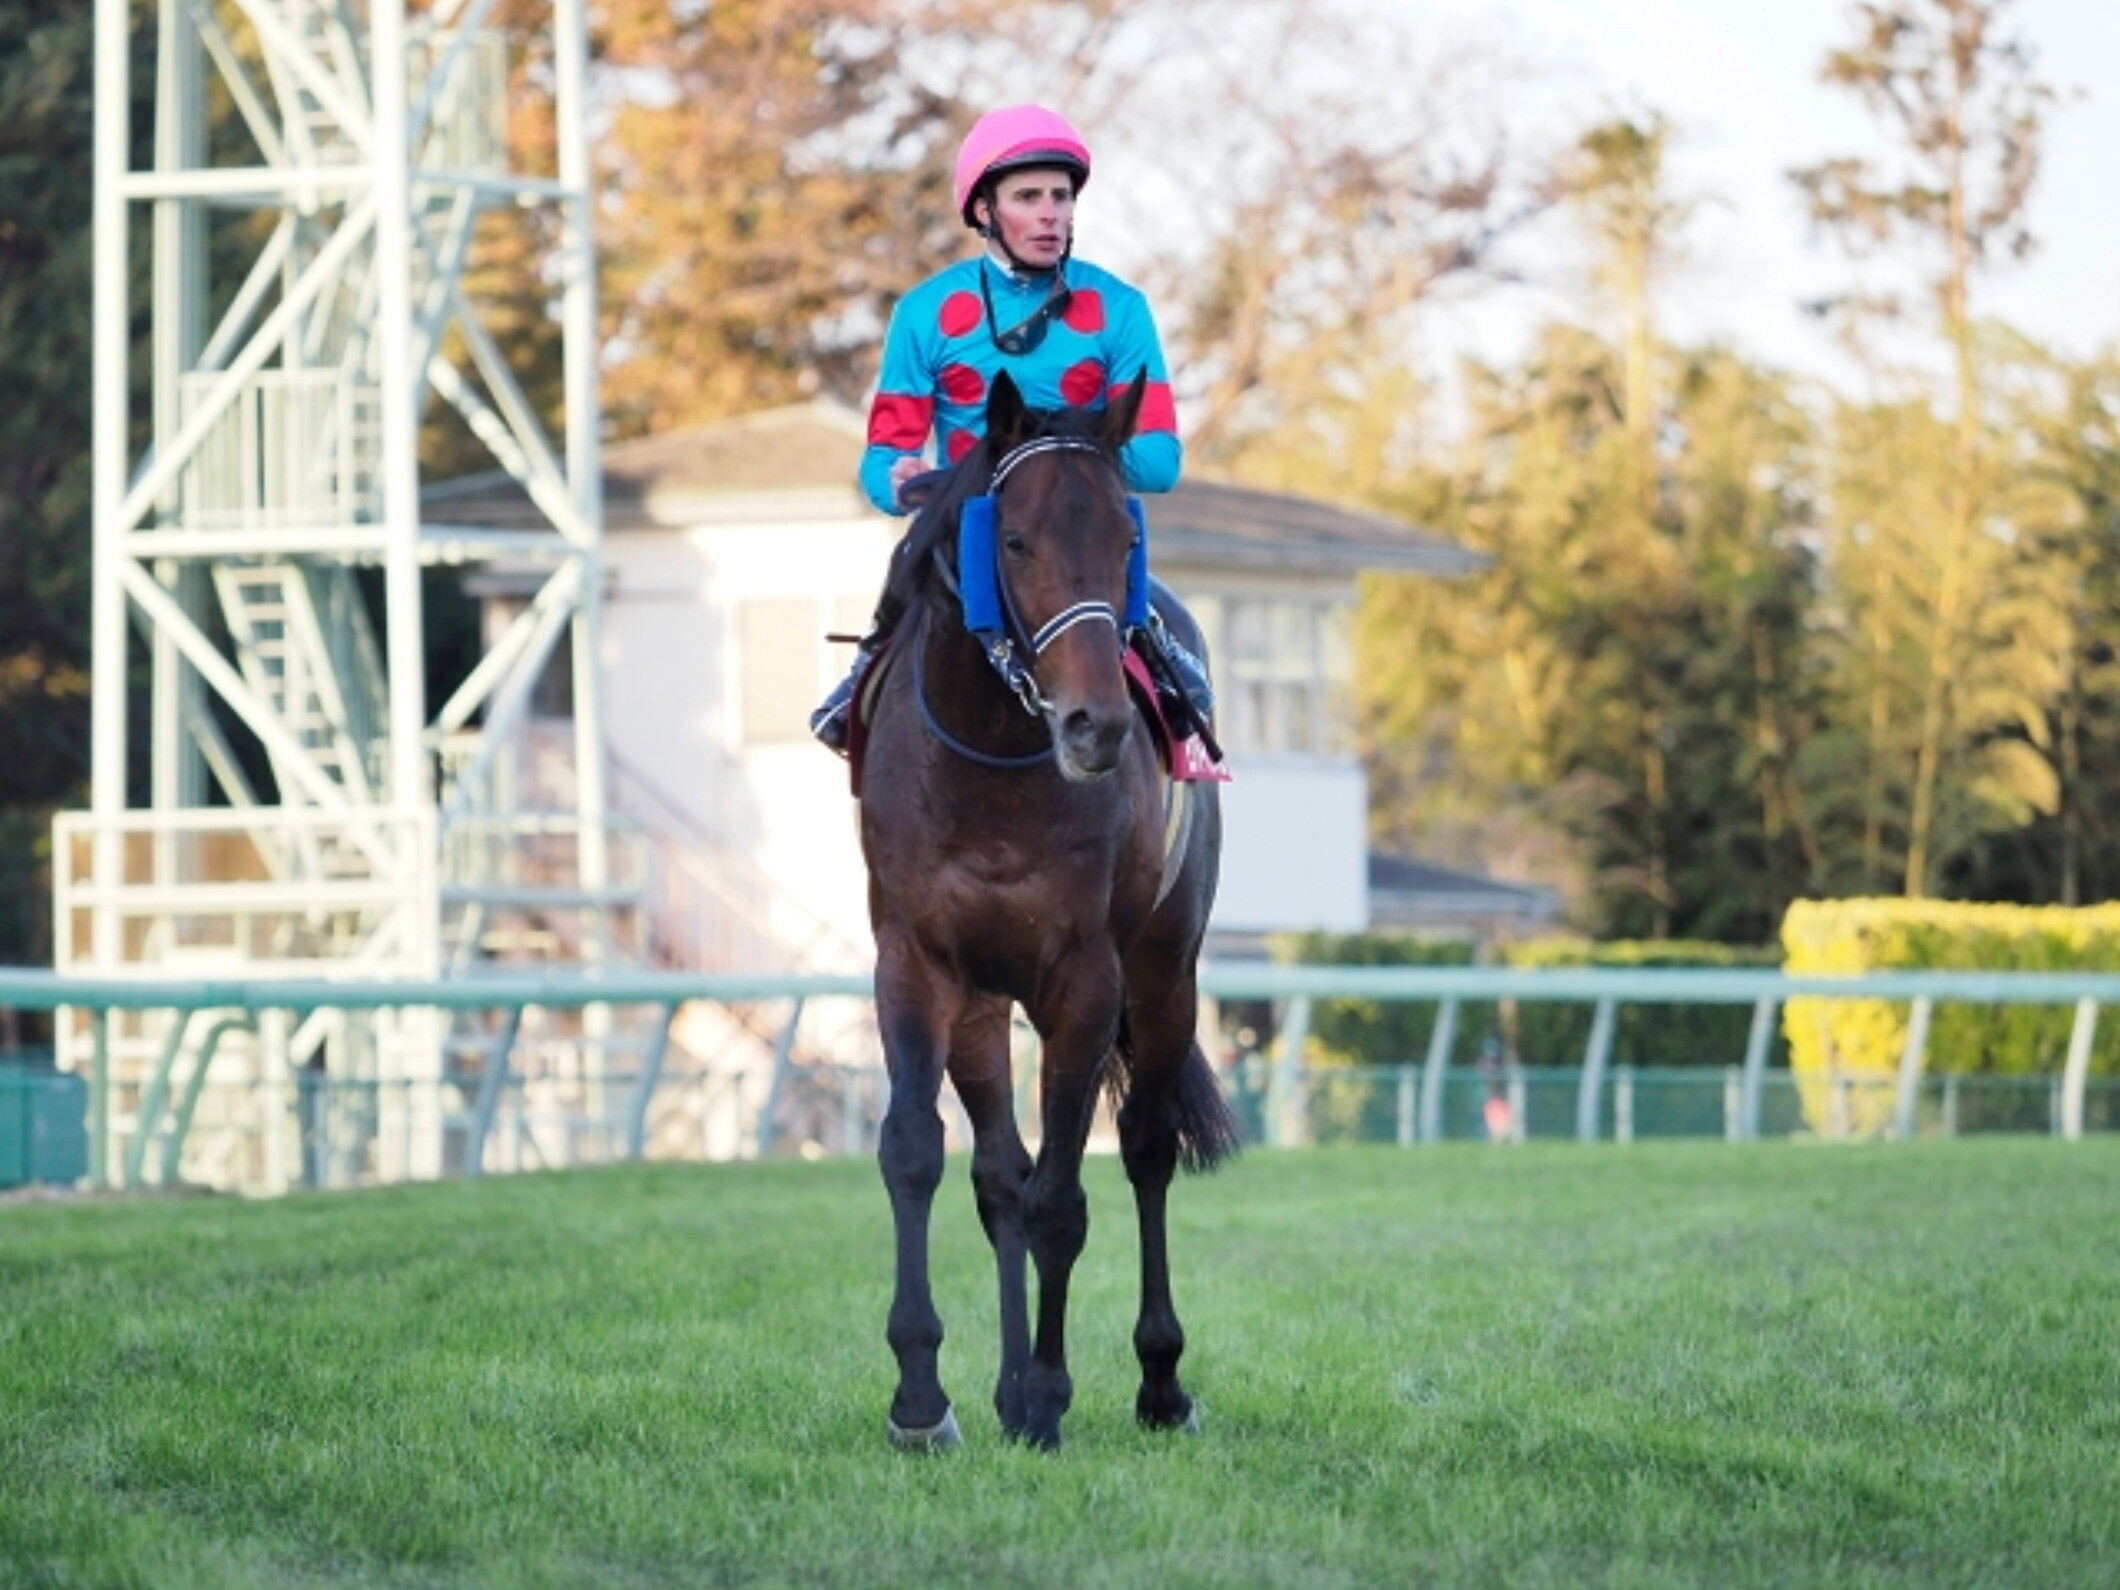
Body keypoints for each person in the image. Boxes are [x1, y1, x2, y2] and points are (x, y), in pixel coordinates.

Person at [810, 103, 1214, 754]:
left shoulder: (1120, 309)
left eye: (1061, 196)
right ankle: (869, 670)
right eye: (1028, 197)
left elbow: (1161, 459)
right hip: (970, 524)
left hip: (1081, 528)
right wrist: (899, 479)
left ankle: (1162, 670)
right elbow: (883, 459)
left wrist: (1055, 463)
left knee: (1113, 520)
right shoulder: (926, 313)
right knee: (940, 542)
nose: (1051, 212)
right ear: (983, 212)